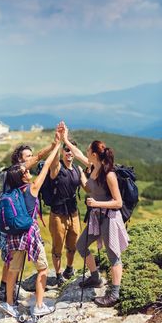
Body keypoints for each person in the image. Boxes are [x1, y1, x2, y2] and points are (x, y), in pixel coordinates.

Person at [61, 123, 130, 307]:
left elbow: (118, 202)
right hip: (96, 218)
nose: (85, 150)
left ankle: (114, 294)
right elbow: (75, 153)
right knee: (81, 245)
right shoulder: (93, 167)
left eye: (88, 149)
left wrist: (96, 203)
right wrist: (65, 138)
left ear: (94, 154)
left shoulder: (109, 175)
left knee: (113, 255)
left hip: (109, 218)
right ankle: (95, 278)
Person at [0, 138, 61, 318]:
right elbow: (46, 165)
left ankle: (9, 304)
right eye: (26, 171)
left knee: (13, 269)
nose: (28, 171)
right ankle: (39, 305)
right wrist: (57, 146)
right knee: (42, 268)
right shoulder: (32, 188)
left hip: (15, 235)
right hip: (30, 234)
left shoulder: (13, 191)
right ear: (23, 176)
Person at [49, 130, 81, 287]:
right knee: (58, 244)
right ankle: (58, 274)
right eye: (66, 150)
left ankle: (69, 268)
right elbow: (53, 161)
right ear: (62, 152)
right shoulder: (57, 168)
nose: (69, 153)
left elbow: (88, 187)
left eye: (71, 150)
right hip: (58, 214)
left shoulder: (78, 170)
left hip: (73, 212)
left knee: (73, 242)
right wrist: (58, 142)